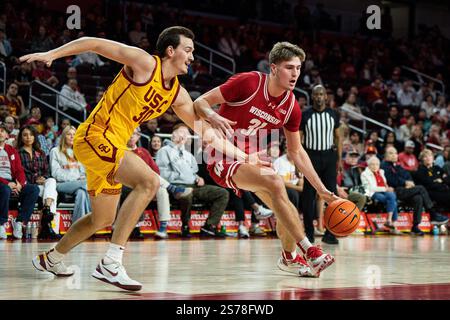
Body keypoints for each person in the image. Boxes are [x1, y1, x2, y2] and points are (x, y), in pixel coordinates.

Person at [21, 26, 231, 291]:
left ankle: (51, 258)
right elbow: (94, 43)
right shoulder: (144, 63)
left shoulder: (177, 94)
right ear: (170, 51)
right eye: (188, 50)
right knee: (150, 182)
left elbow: (204, 131)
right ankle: (111, 262)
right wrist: (53, 53)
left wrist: (242, 154)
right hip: (95, 137)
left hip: (111, 147)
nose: (192, 57)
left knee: (102, 219)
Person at [194, 42, 339, 278]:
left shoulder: (292, 106)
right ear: (273, 68)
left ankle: (289, 257)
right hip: (221, 154)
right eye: (289, 68)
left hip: (253, 160)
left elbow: (297, 151)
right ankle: (311, 251)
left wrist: (321, 189)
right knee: (274, 182)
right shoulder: (249, 82)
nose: (295, 74)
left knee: (287, 209)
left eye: (298, 68)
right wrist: (212, 116)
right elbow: (199, 102)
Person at [156, 124, 229, 238]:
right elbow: (162, 174)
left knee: (222, 193)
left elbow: (193, 172)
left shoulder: (189, 155)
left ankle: (209, 226)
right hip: (176, 186)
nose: (185, 135)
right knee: (187, 194)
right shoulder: (164, 151)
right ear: (173, 135)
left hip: (193, 186)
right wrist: (182, 175)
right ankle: (185, 225)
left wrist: (197, 178)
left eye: (187, 133)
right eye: (182, 132)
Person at [123, 128, 192, 240]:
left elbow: (156, 171)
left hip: (147, 185)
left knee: (161, 190)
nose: (131, 136)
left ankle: (163, 228)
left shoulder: (144, 152)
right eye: (129, 132)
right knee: (147, 179)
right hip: (128, 184)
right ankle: (172, 188)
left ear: (139, 136)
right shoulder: (121, 151)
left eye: (134, 134)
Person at [300, 85, 342, 245]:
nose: (319, 97)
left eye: (321, 94)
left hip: (329, 157)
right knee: (308, 196)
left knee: (331, 195)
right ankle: (309, 233)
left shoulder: (333, 114)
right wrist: (299, 162)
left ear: (326, 97)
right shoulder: (306, 115)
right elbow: (299, 139)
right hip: (311, 157)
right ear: (312, 96)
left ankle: (330, 233)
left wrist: (338, 160)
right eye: (316, 94)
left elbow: (338, 137)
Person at [381, 146, 448, 235]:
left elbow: (407, 175)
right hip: (395, 191)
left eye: (395, 153)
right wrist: (405, 182)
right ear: (385, 156)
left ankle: (415, 226)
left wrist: (410, 183)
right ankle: (433, 214)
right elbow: (391, 180)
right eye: (391, 153)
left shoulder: (398, 166)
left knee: (418, 198)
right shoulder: (384, 166)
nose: (394, 155)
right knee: (420, 188)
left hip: (405, 190)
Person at [17, 125, 60, 239]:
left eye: (31, 135)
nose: (28, 137)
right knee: (53, 193)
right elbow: (18, 173)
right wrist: (34, 180)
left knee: (51, 180)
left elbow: (46, 171)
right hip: (29, 187)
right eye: (25, 135)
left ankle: (46, 211)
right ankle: (47, 222)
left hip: (42, 187)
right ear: (21, 137)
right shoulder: (18, 153)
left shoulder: (40, 153)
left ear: (35, 137)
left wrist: (44, 178)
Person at [0, 123, 40, 240]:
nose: (0, 133)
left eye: (2, 131)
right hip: (3, 184)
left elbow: (19, 170)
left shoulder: (11, 150)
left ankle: (20, 222)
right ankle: (1, 223)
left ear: (7, 135)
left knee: (33, 189)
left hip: (12, 183)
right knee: (5, 189)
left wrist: (20, 184)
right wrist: (7, 184)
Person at [50, 126, 91, 223]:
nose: (72, 137)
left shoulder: (78, 153)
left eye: (74, 134)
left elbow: (83, 173)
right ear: (64, 136)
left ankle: (78, 225)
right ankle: (92, 220)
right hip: (61, 184)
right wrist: (76, 179)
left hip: (80, 185)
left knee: (82, 193)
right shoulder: (55, 151)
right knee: (88, 184)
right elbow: (56, 173)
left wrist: (80, 178)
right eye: (69, 134)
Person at [361, 156, 402, 235]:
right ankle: (392, 224)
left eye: (377, 164)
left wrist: (387, 188)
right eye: (372, 164)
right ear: (368, 165)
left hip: (383, 191)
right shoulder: (364, 174)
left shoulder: (381, 172)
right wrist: (385, 189)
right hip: (372, 193)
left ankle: (389, 221)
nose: (375, 166)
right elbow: (371, 188)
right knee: (393, 201)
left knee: (392, 196)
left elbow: (385, 184)